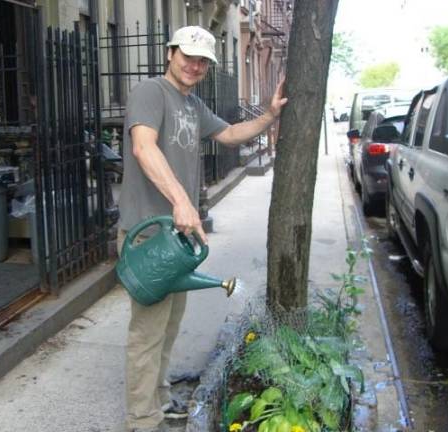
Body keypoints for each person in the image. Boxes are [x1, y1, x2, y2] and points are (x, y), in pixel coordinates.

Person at [118, 25, 288, 432]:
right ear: (170, 52)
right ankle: (142, 421)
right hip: (149, 234)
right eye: (187, 56)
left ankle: (158, 399)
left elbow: (230, 134)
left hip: (177, 240)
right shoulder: (150, 92)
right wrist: (181, 200)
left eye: (202, 61)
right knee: (147, 332)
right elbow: (144, 147)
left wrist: (269, 115)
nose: (194, 65)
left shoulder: (192, 106)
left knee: (168, 327)